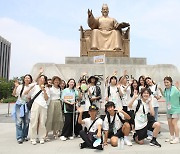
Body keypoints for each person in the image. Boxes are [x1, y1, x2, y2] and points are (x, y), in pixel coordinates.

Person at [28, 75, 50, 145]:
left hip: (43, 105)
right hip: (35, 104)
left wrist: (44, 91)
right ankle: (33, 138)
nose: (42, 79)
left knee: (42, 122)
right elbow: (29, 95)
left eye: (43, 78)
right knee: (34, 121)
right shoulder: (34, 86)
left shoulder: (47, 88)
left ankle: (41, 137)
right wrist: (40, 73)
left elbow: (46, 98)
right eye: (41, 78)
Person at [12, 74, 33, 144]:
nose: (27, 79)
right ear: (24, 79)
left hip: (26, 105)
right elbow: (14, 94)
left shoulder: (31, 87)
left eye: (29, 78)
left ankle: (24, 136)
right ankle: (19, 137)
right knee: (19, 122)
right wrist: (15, 87)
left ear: (30, 80)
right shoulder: (20, 86)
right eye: (26, 78)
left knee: (26, 122)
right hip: (19, 105)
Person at [163, 76, 180, 144]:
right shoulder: (165, 90)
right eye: (165, 82)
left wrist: (178, 88)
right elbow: (165, 96)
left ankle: (177, 138)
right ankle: (172, 136)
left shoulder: (175, 89)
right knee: (170, 123)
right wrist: (160, 90)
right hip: (169, 109)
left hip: (176, 109)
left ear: (171, 82)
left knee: (174, 123)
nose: (166, 84)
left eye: (167, 82)